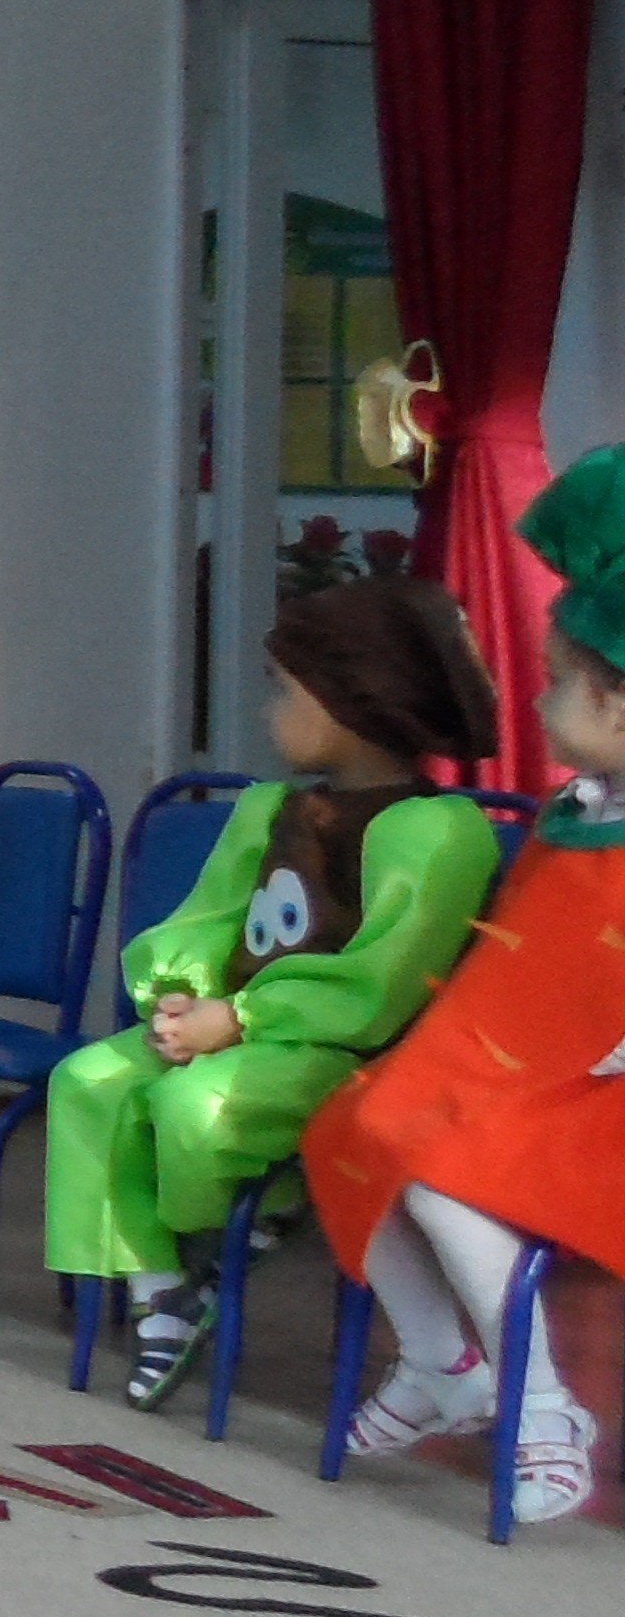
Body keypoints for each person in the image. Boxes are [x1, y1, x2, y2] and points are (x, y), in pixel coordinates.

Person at [46, 573, 503, 1409]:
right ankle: (164, 1288)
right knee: (87, 1082)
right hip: (233, 1028)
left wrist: (242, 1017)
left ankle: (257, 1210)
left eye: (285, 692)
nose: (270, 712)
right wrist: (179, 994)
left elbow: (384, 981)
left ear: (349, 699)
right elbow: (213, 918)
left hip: (337, 1051)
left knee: (197, 1108)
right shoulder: (270, 809)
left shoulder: (438, 832)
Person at [308, 450, 625, 1523]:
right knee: (356, 1124)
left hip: (599, 1100)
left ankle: (543, 1408)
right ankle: (444, 1364)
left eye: (556, 681)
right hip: (524, 1077)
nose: (537, 700)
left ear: (619, 702)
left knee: (445, 1172)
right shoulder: (578, 814)